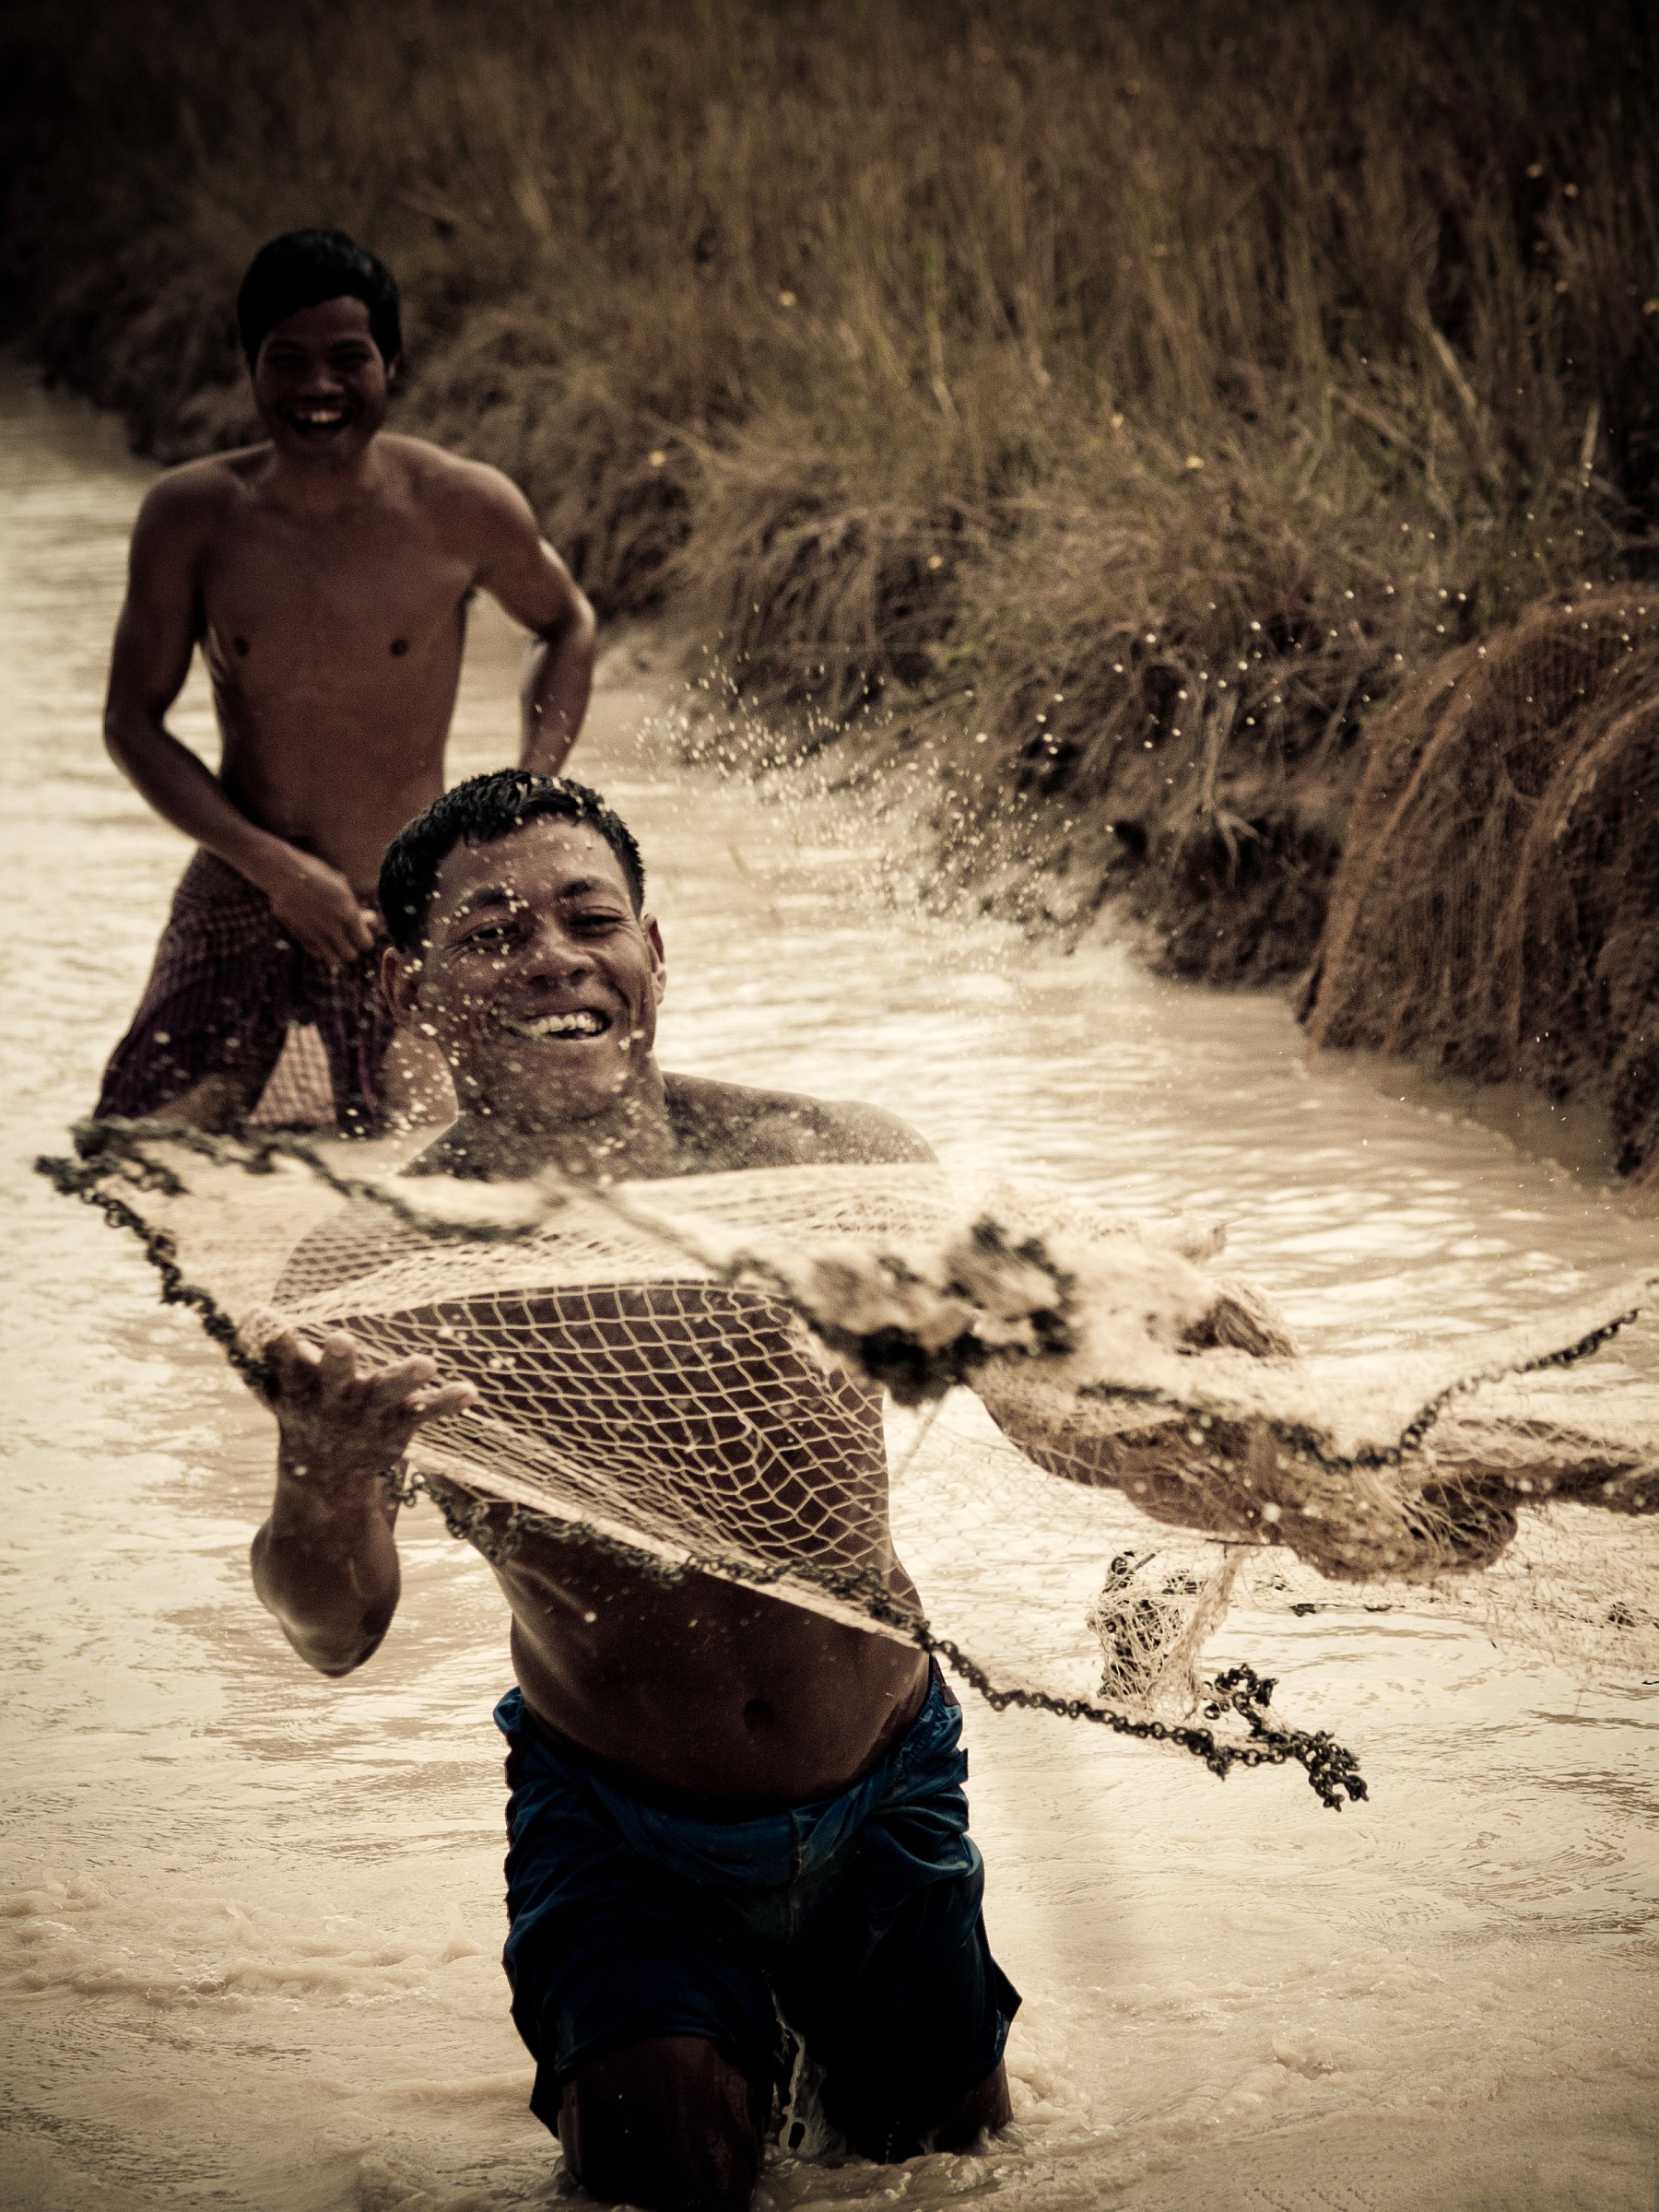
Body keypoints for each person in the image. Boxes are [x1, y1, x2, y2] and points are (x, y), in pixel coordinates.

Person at [249, 771, 1018, 2212]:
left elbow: (1056, 1401)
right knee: (661, 2170)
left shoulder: (835, 1163)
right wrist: (323, 1476)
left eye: (590, 917)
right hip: (618, 1821)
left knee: (953, 2172)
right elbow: (332, 1631)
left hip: (888, 1781)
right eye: (491, 933)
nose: (551, 955)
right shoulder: (372, 1275)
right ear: (418, 993)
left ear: (652, 955)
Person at [97, 230, 596, 1136]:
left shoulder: (461, 506)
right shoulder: (190, 518)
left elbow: (566, 623)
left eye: (347, 359)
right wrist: (277, 869)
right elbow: (132, 721)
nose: (317, 388)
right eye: (286, 361)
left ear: (391, 363)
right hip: (244, 884)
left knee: (442, 1151)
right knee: (135, 1152)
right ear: (249, 367)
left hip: (404, 900)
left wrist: (534, 787)